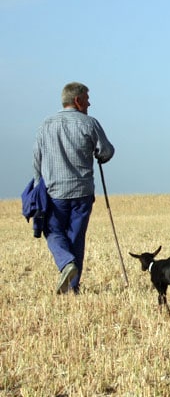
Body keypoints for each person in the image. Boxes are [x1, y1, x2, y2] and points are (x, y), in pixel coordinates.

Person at [33, 82, 115, 294]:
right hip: (83, 192)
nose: (89, 103)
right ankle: (73, 286)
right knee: (76, 237)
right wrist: (99, 155)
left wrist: (36, 187)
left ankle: (65, 262)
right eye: (87, 99)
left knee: (51, 230)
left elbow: (37, 159)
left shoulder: (46, 124)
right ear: (77, 101)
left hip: (54, 192)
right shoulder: (90, 123)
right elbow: (106, 151)